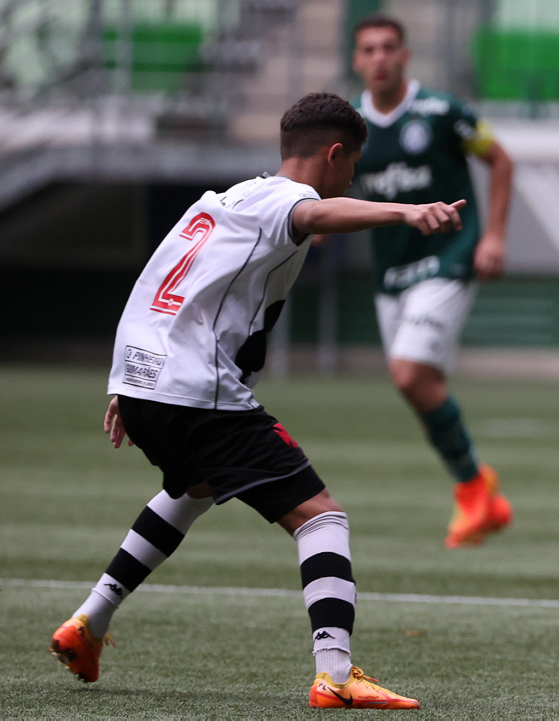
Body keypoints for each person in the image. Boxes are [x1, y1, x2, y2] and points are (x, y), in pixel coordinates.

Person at [49, 92, 469, 709]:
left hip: (147, 382)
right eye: (352, 166)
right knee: (321, 518)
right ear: (333, 155)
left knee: (194, 488)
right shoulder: (285, 200)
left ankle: (89, 622)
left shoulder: (221, 200)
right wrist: (406, 212)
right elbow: (313, 214)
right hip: (196, 393)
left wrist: (129, 384)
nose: (351, 179)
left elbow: (157, 285)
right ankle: (335, 675)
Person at [349, 15, 515, 547]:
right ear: (357, 60)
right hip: (390, 273)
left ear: (405, 55)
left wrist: (493, 237)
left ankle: (471, 488)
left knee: (406, 374)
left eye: (388, 48)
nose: (379, 58)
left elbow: (501, 161)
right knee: (422, 388)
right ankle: (478, 491)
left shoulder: (444, 112)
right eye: (369, 50)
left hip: (449, 256)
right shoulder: (350, 126)